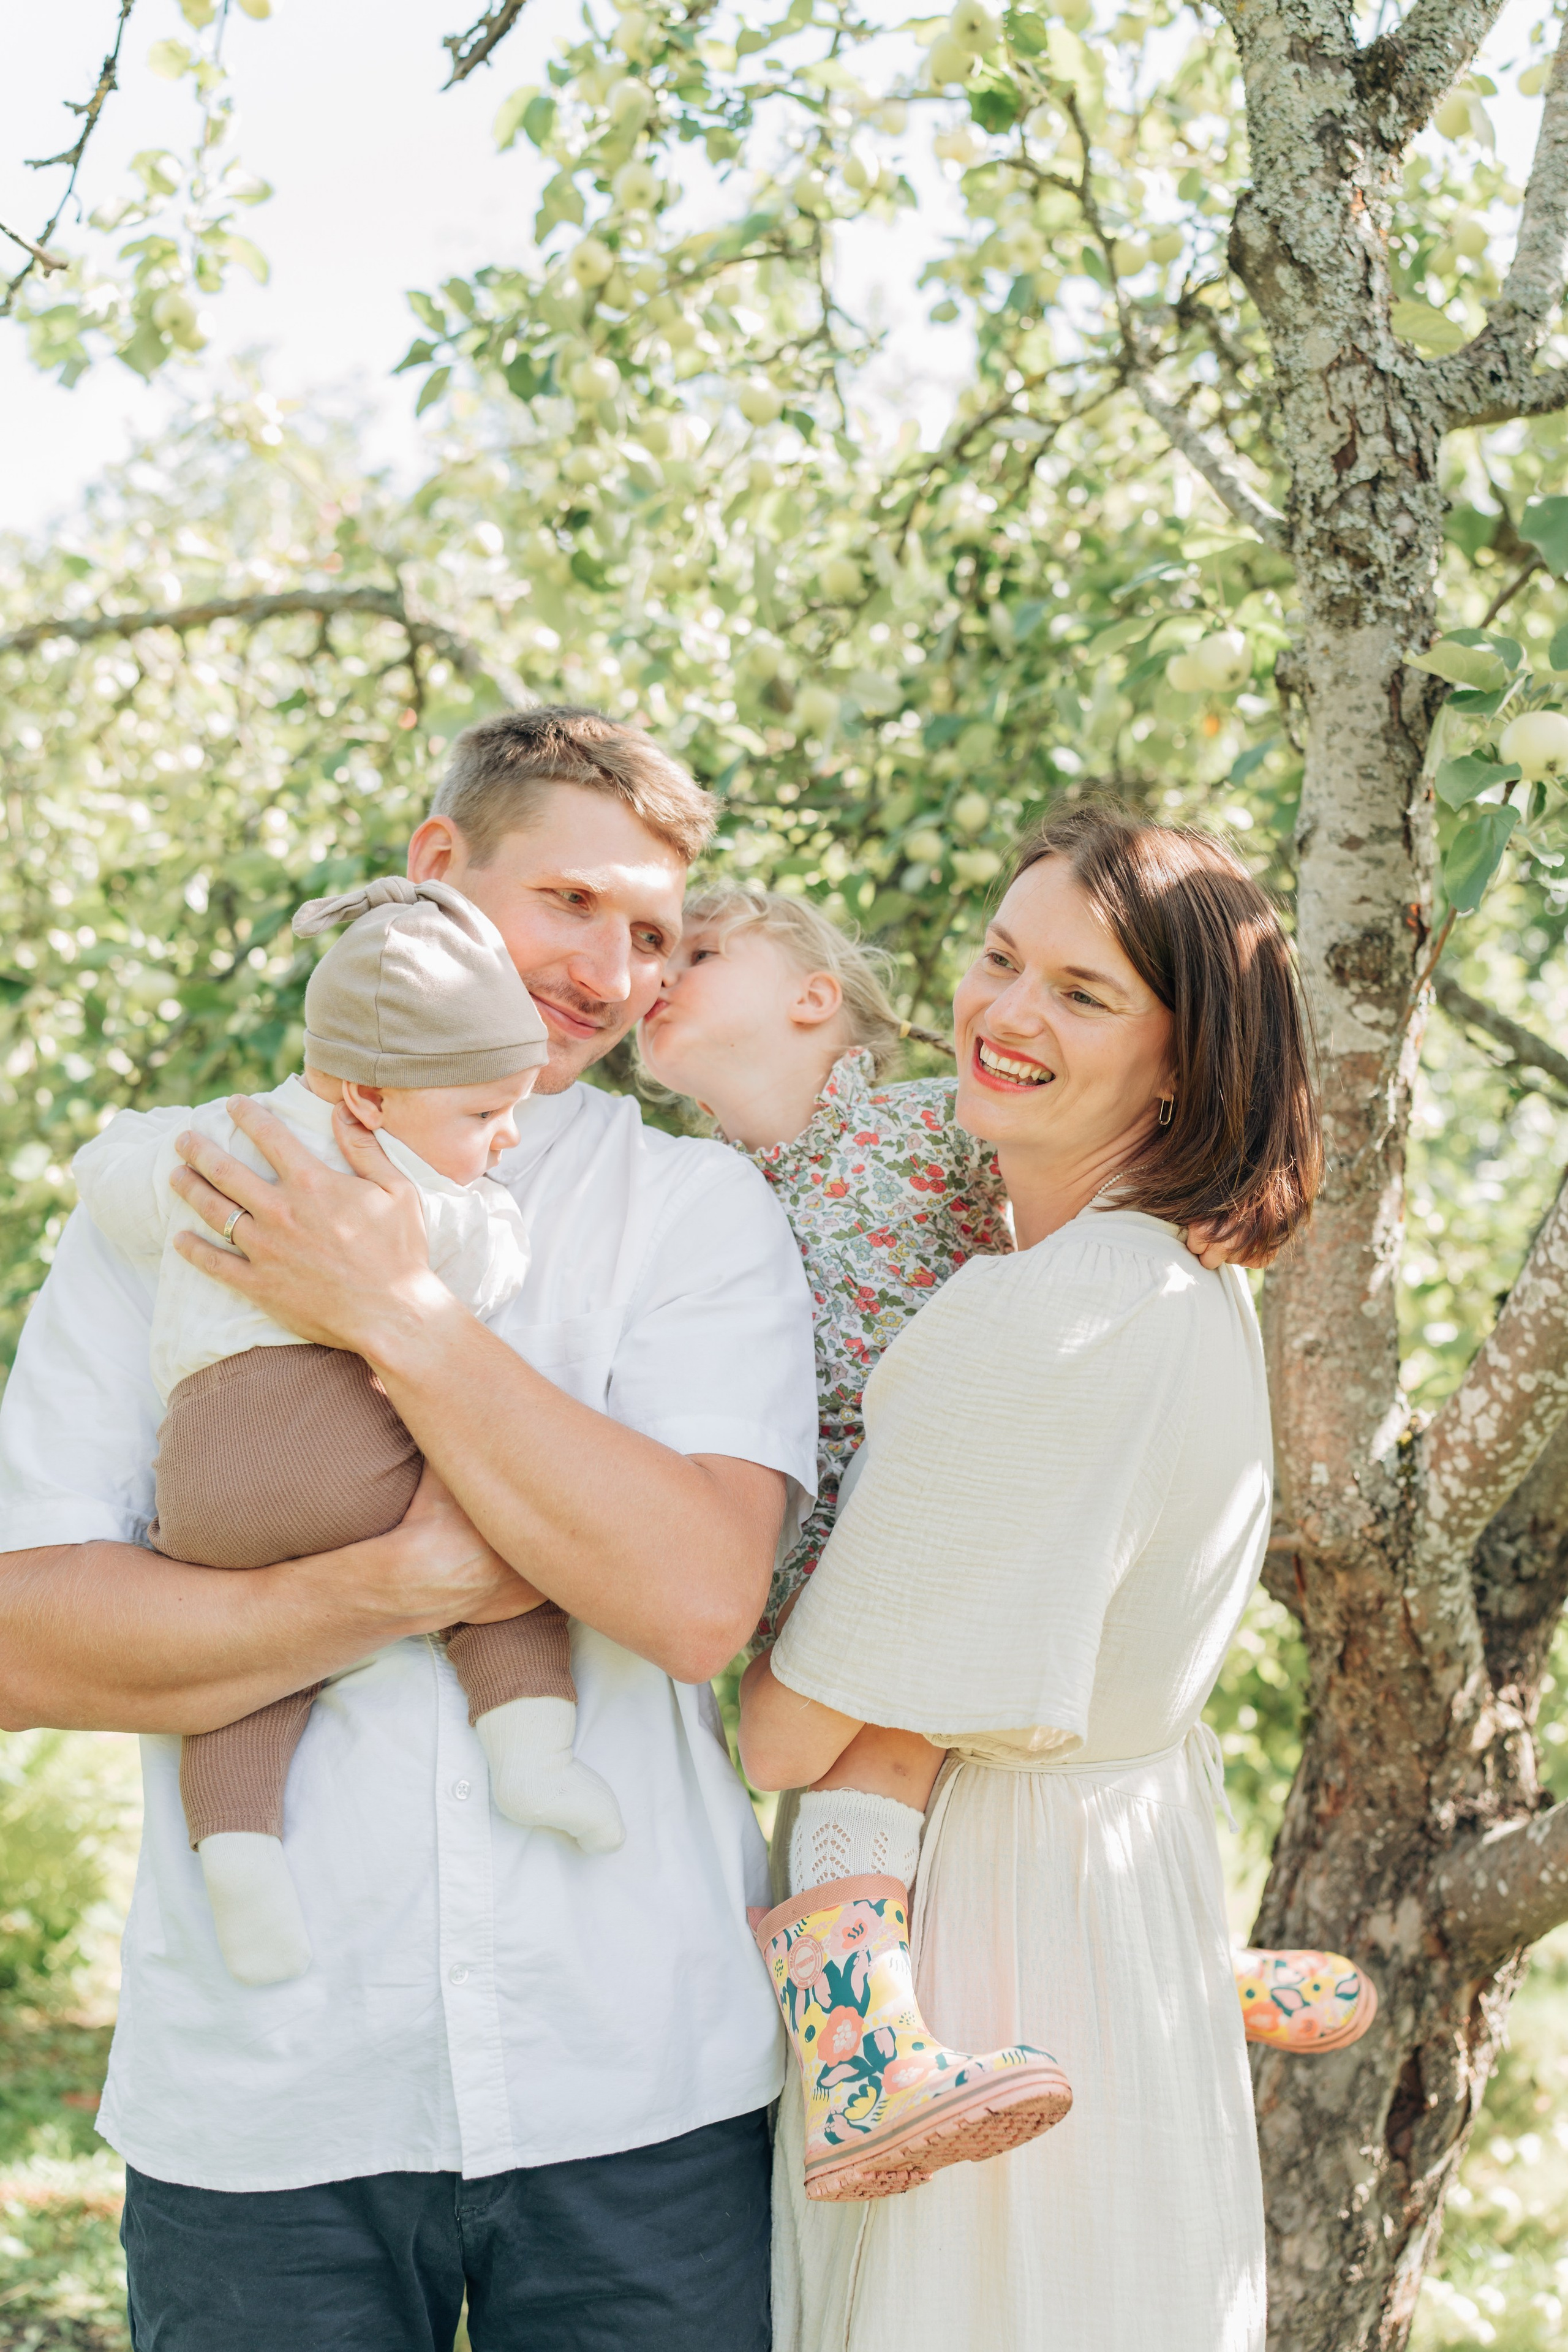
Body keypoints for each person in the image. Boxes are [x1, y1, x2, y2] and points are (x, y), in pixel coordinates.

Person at [0, 708, 817, 2352]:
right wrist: (403, 1582)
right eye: (571, 903)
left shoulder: (694, 1212)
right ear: (436, 870)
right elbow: (24, 1637)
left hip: (637, 2091)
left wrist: (395, 1311)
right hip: (267, 2097)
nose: (609, 966)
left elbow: (694, 1602)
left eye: (653, 933)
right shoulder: (196, 1187)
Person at [639, 880, 1377, 2165]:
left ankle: (863, 2055)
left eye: (692, 949)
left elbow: (1080, 1175)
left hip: (949, 1500)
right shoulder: (686, 1194)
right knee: (873, 1742)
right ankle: (1181, 1963)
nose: (653, 970)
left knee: (883, 1746)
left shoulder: (920, 1128)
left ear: (814, 999)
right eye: (998, 962)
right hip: (813, 1525)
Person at [733, 807, 1325, 2349]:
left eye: (1081, 993)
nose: (1004, 1013)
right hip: (1116, 1895)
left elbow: (789, 1741)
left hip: (989, 1940)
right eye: (1000, 960)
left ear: (1183, 1061)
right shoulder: (1181, 1280)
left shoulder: (1043, 1316)